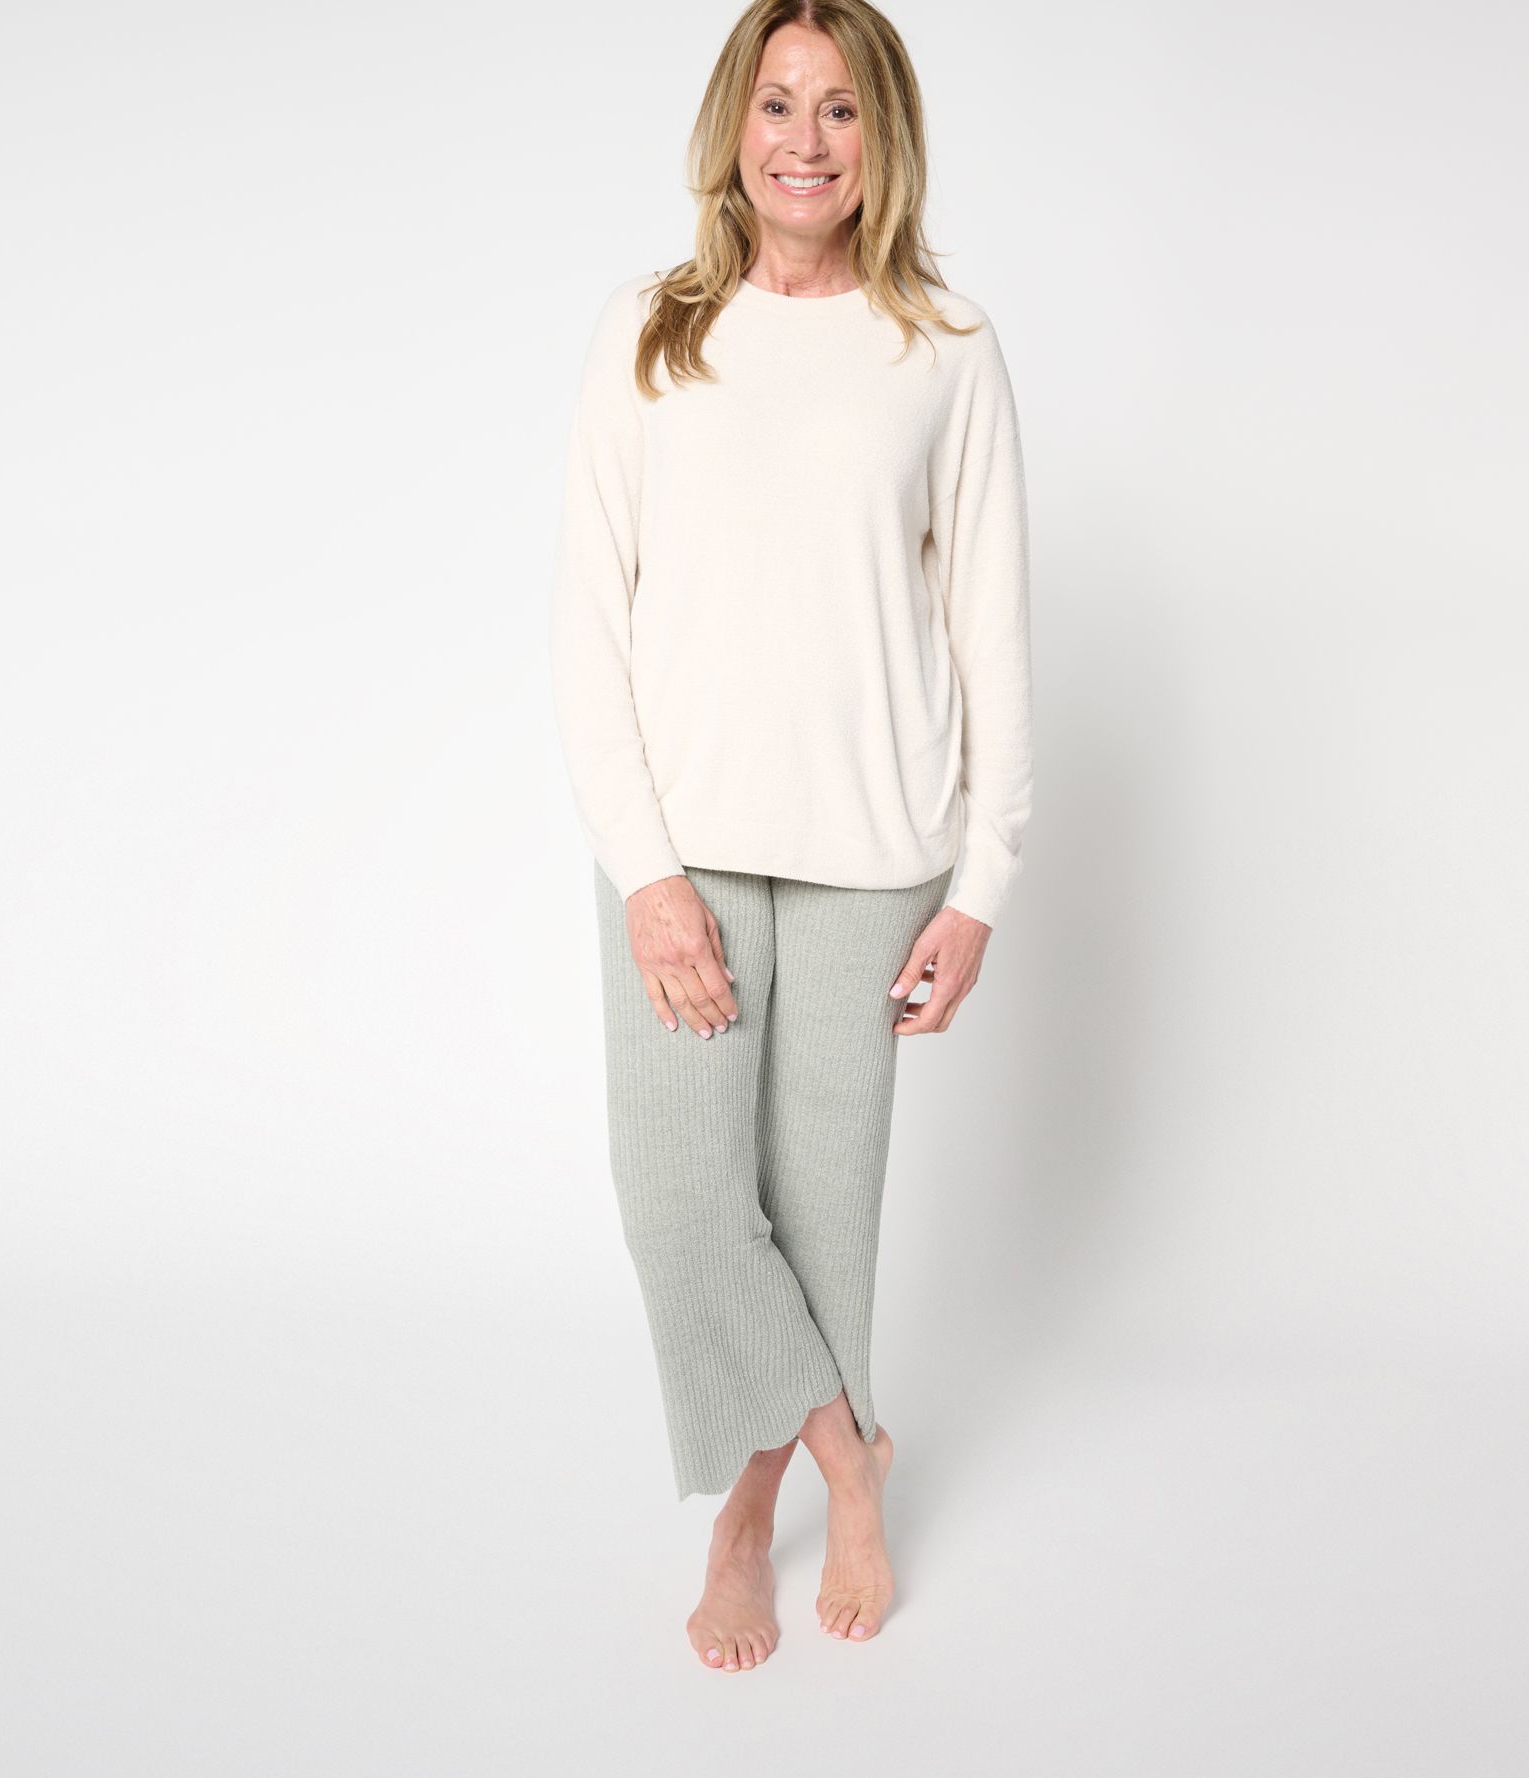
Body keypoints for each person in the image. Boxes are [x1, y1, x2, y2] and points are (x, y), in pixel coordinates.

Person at [546, 0, 1032, 1673]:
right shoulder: (651, 332)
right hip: (684, 843)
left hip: (875, 848)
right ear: (732, 126)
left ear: (881, 136)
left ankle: (750, 1516)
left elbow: (991, 632)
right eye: (777, 104)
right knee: (681, 1198)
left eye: (838, 108)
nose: (804, 141)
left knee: (821, 1216)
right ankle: (851, 1448)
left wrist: (984, 883)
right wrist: (643, 868)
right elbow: (585, 622)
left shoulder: (944, 346)